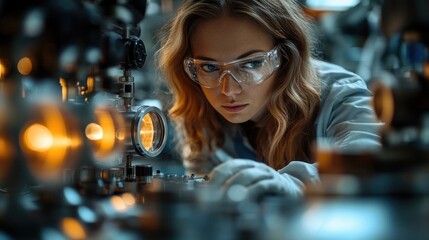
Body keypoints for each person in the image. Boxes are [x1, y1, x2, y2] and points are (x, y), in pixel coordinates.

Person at [156, 0, 382, 200]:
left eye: (251, 63)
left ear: (286, 57)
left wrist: (293, 184)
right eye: (209, 67)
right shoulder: (199, 109)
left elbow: (368, 161)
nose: (228, 90)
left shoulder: (341, 94)